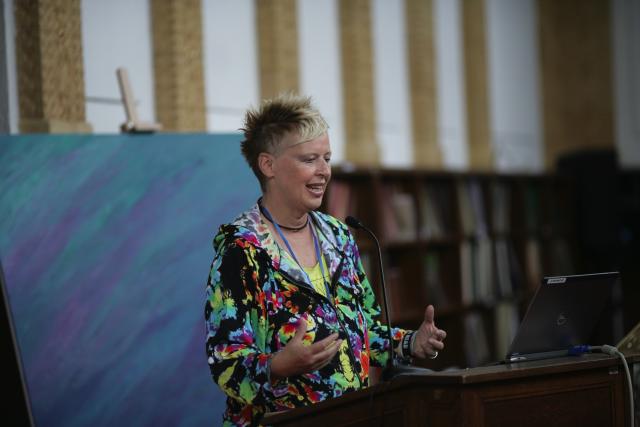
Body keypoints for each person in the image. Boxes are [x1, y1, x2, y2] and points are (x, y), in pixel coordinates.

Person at [205, 93, 447, 426]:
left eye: (327, 158)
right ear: (268, 165)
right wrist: (279, 366)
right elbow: (225, 363)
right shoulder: (241, 251)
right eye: (309, 159)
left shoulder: (340, 237)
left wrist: (410, 342)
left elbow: (364, 332)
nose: (323, 172)